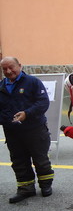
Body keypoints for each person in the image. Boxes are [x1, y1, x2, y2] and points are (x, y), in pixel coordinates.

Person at [0, 57, 54, 203]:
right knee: (19, 161)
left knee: (40, 159)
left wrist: (26, 114)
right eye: (4, 69)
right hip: (12, 132)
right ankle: (26, 188)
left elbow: (43, 102)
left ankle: (46, 185)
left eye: (11, 67)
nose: (8, 71)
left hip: (35, 129)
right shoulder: (1, 86)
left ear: (20, 65)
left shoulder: (32, 82)